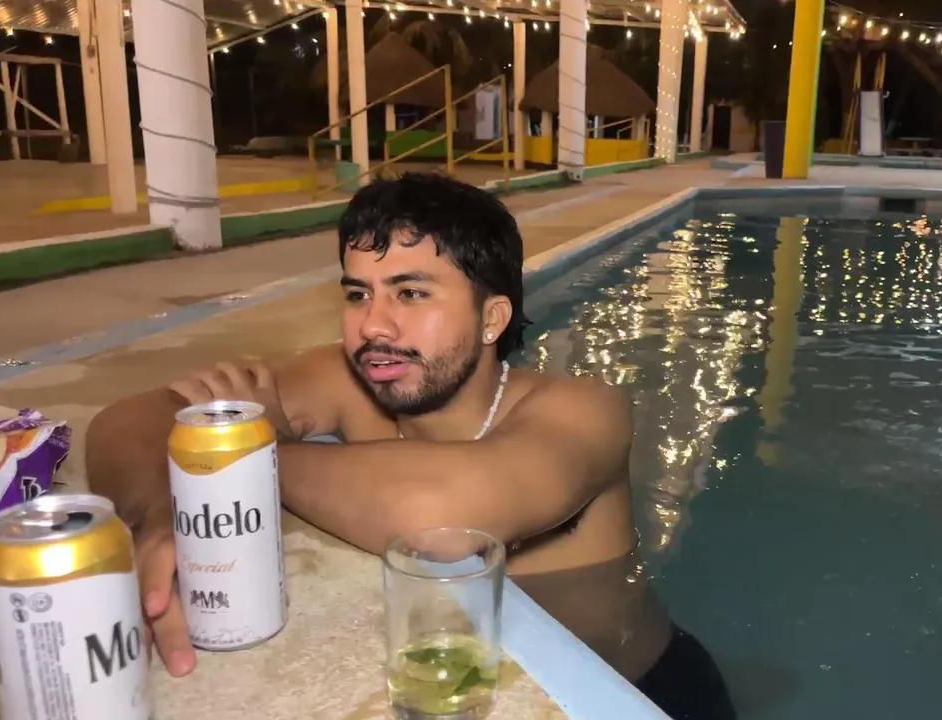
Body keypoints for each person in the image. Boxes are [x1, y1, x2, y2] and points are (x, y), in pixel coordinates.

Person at [85, 172, 734, 719]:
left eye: (411, 293)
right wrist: (162, 513)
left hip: (634, 692)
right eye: (358, 294)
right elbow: (127, 420)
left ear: (491, 318)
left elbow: (441, 520)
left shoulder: (585, 409)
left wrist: (246, 453)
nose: (374, 325)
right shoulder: (348, 380)